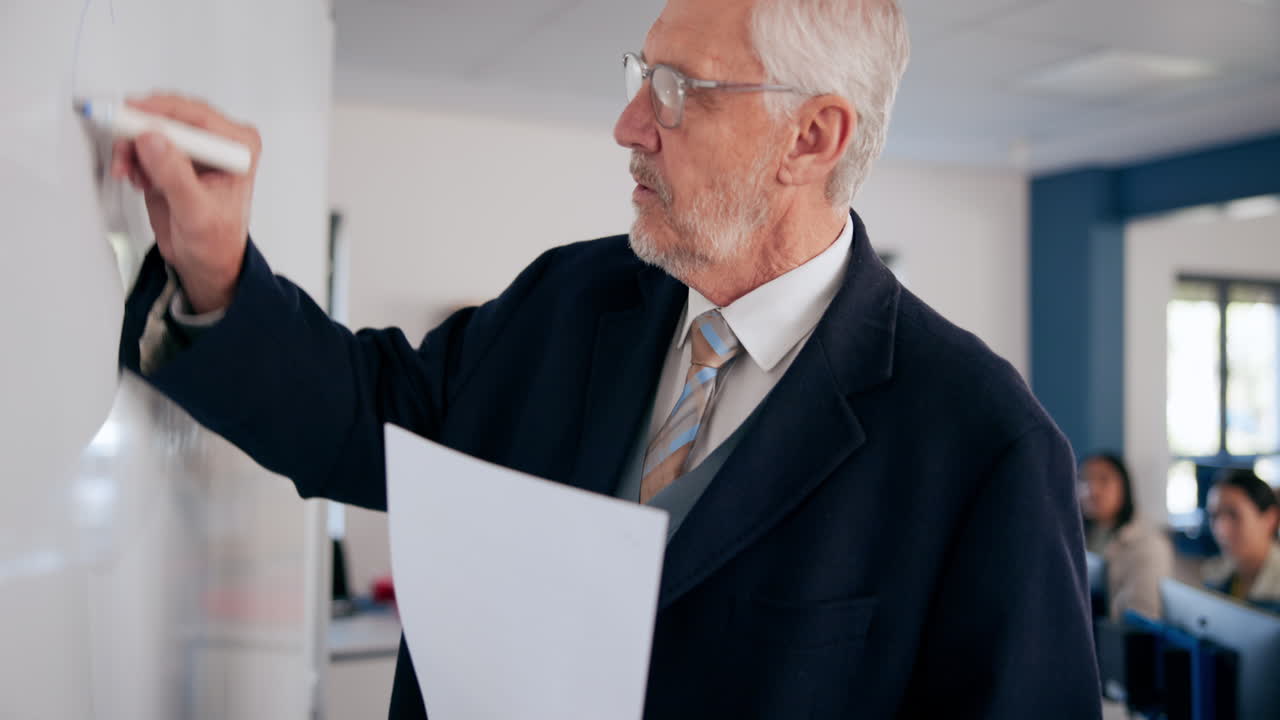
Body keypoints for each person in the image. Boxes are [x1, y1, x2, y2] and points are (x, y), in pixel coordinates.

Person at [109, 0, 1100, 716]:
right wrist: (218, 268)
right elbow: (361, 420)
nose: (630, 127)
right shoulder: (566, 302)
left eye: (678, 92)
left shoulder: (980, 447)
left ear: (810, 136)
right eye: (640, 78)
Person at [1078, 453, 1174, 620]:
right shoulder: (1082, 535)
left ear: (1124, 486)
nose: (1092, 490)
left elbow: (1143, 615)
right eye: (1084, 480)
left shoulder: (1149, 544)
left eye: (1104, 480)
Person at [1204, 468, 1280, 614]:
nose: (1221, 530)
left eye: (1234, 515)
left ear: (1270, 519)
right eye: (1214, 516)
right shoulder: (1215, 574)